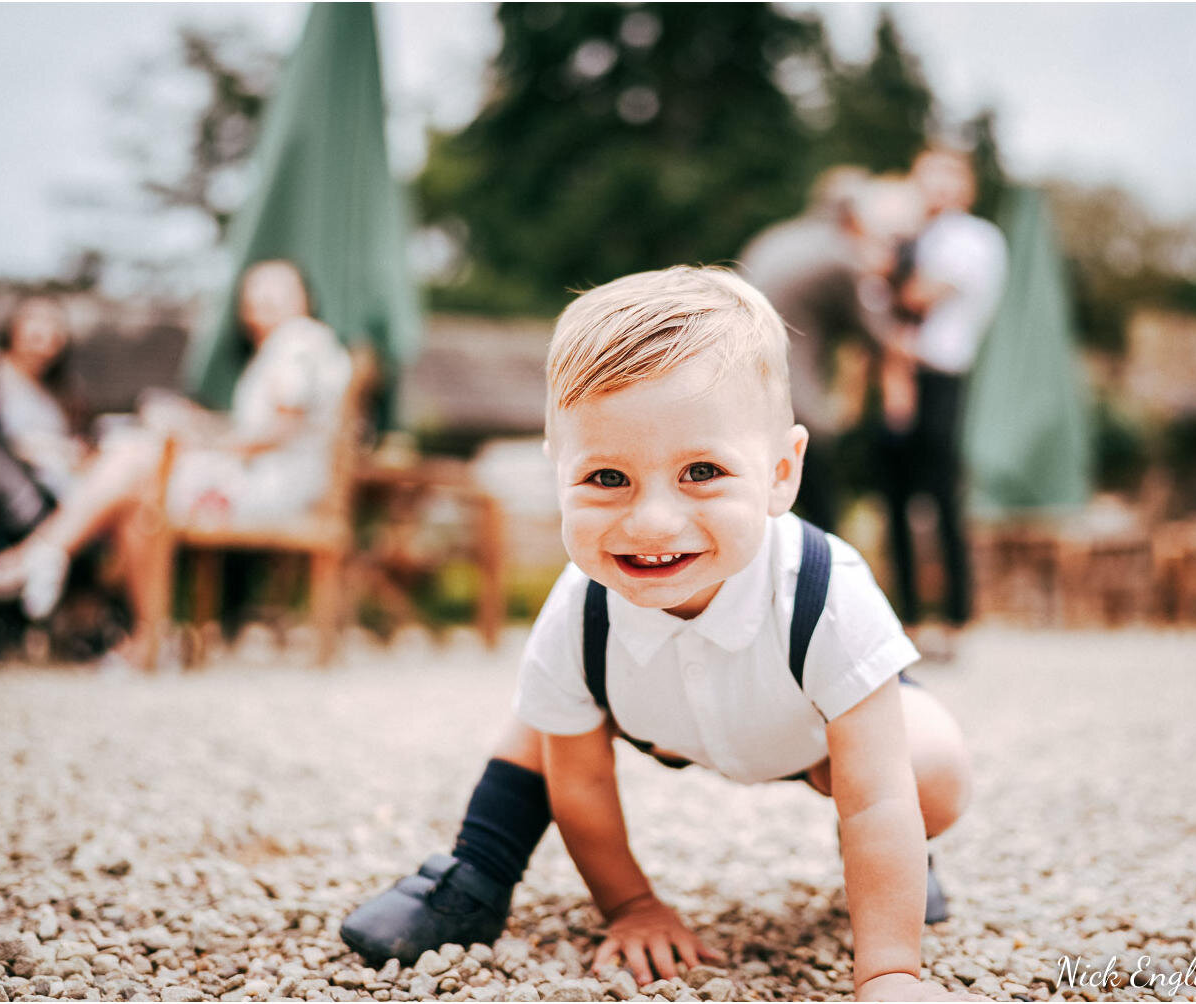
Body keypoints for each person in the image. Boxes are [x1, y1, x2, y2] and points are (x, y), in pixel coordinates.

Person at [341, 267, 973, 1002]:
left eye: (702, 471)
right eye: (606, 478)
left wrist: (890, 973)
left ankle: (896, 871)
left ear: (779, 473)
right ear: (559, 468)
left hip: (804, 729)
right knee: (544, 710)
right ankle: (477, 866)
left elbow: (878, 800)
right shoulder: (581, 607)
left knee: (926, 772)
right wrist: (632, 905)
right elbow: (579, 785)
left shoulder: (828, 593)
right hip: (654, 713)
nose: (651, 524)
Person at [0, 260, 352, 641]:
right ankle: (145, 637)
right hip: (273, 482)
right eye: (254, 290)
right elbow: (273, 427)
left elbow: (280, 428)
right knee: (137, 488)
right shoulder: (295, 347)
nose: (260, 298)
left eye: (275, 288)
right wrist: (196, 423)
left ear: (303, 297)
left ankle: (38, 556)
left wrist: (200, 438)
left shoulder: (298, 340)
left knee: (134, 459)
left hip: (272, 489)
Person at [878, 147, 1008, 649]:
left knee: (940, 496)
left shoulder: (970, 237)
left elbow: (917, 295)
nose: (935, 189)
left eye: (946, 178)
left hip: (938, 377)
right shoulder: (919, 236)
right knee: (894, 498)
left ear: (966, 187)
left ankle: (955, 617)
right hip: (897, 376)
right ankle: (906, 617)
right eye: (926, 178)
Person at [737, 166, 878, 533]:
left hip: (739, 383)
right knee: (819, 507)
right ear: (853, 214)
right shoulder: (839, 255)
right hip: (793, 392)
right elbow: (874, 332)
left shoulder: (774, 238)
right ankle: (826, 577)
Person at [0, 296, 88, 499]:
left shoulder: (56, 389)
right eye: (36, 318)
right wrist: (61, 450)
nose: (47, 328)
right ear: (13, 326)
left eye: (56, 322)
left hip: (64, 481)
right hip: (26, 490)